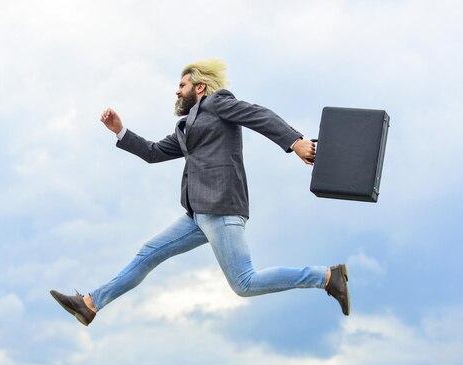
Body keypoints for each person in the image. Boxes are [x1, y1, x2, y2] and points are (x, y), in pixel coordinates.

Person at [50, 59, 349, 326]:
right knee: (148, 254)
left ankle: (325, 276)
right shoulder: (185, 127)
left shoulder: (218, 103)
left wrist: (295, 142)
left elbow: (258, 115)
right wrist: (120, 131)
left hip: (220, 208)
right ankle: (90, 303)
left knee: (244, 283)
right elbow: (153, 152)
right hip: (196, 215)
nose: (177, 91)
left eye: (182, 85)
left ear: (201, 87)